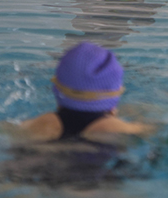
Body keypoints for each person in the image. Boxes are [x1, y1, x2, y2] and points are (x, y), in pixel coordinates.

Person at [17, 42, 154, 143]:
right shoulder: (121, 129)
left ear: (57, 87)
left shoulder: (38, 125)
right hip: (99, 175)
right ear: (117, 92)